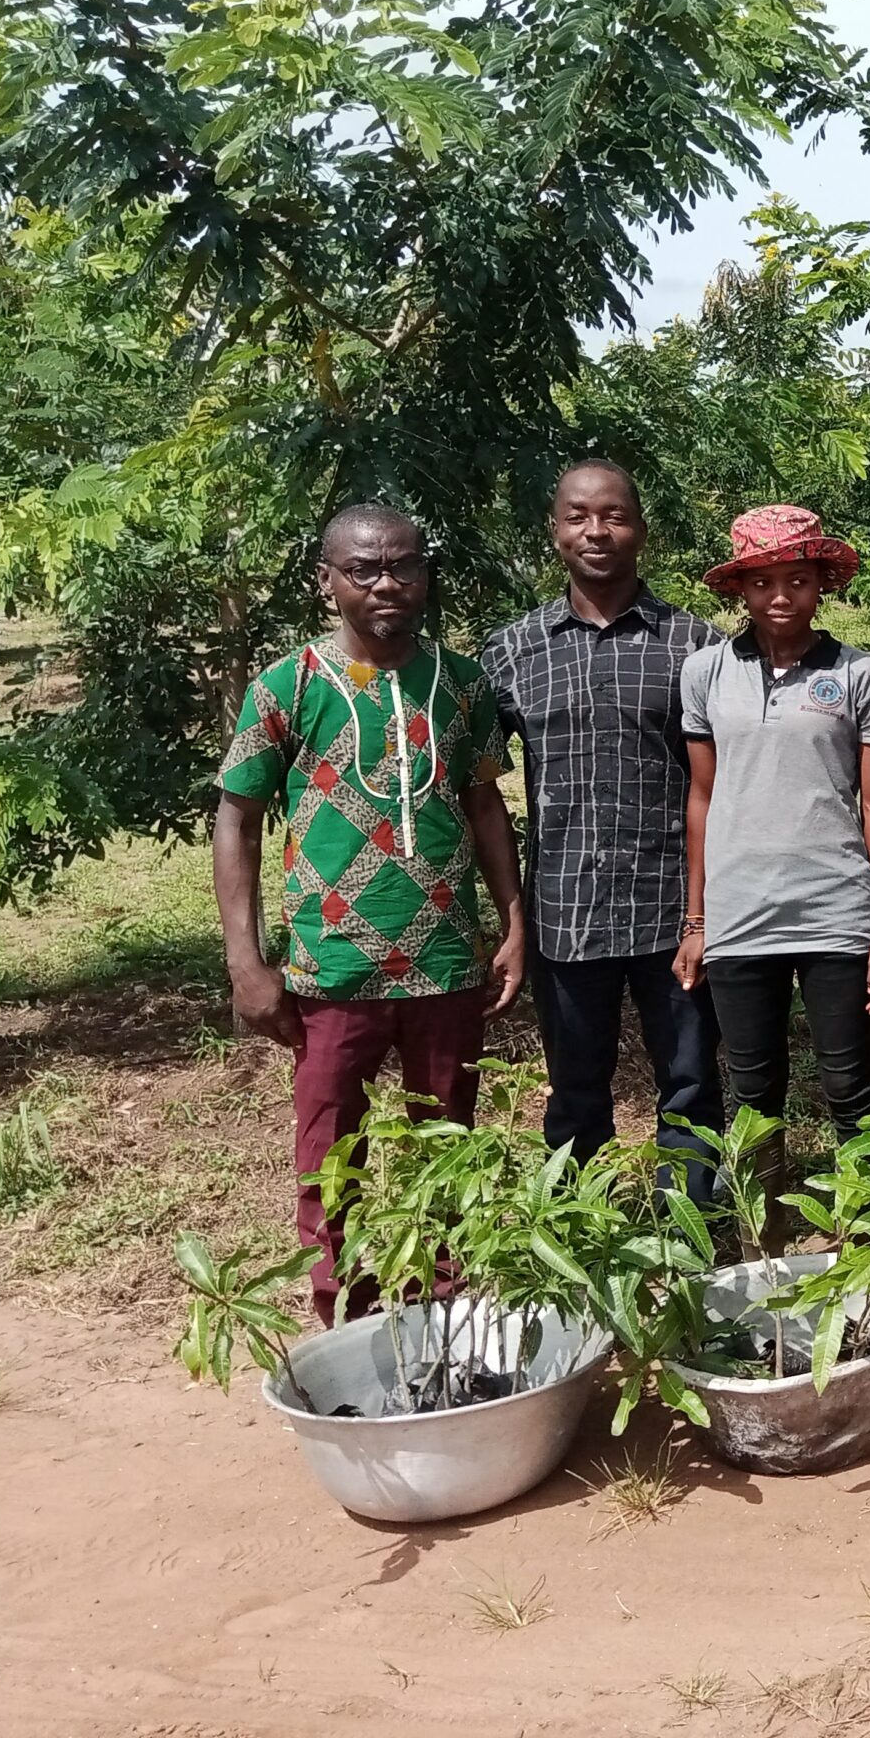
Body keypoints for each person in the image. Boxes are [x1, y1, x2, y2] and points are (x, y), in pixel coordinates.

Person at [211, 504, 525, 1324]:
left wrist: (514, 920)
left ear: (426, 575)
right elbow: (237, 819)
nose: (387, 584)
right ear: (328, 583)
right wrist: (247, 962)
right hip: (331, 967)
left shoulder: (461, 682)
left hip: (449, 963)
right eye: (364, 570)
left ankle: (442, 1308)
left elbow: (485, 802)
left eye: (404, 567)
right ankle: (343, 1312)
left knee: (446, 1144)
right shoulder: (290, 686)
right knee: (329, 1153)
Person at [482, 464, 723, 1198]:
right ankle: (583, 1234)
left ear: (641, 530)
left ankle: (694, 1233)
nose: (596, 531)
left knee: (690, 1085)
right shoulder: (511, 652)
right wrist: (512, 920)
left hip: (673, 913)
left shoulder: (697, 647)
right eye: (578, 516)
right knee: (575, 1092)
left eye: (614, 516)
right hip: (565, 911)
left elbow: (723, 788)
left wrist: (706, 914)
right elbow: (480, 788)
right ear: (555, 531)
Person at [674, 508, 870, 1151]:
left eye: (797, 580)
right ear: (741, 589)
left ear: (821, 583)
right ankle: (764, 1238)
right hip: (739, 911)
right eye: (762, 582)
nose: (780, 597)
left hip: (836, 908)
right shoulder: (706, 674)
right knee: (752, 1092)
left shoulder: (859, 675)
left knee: (852, 1085)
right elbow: (703, 795)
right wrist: (697, 920)